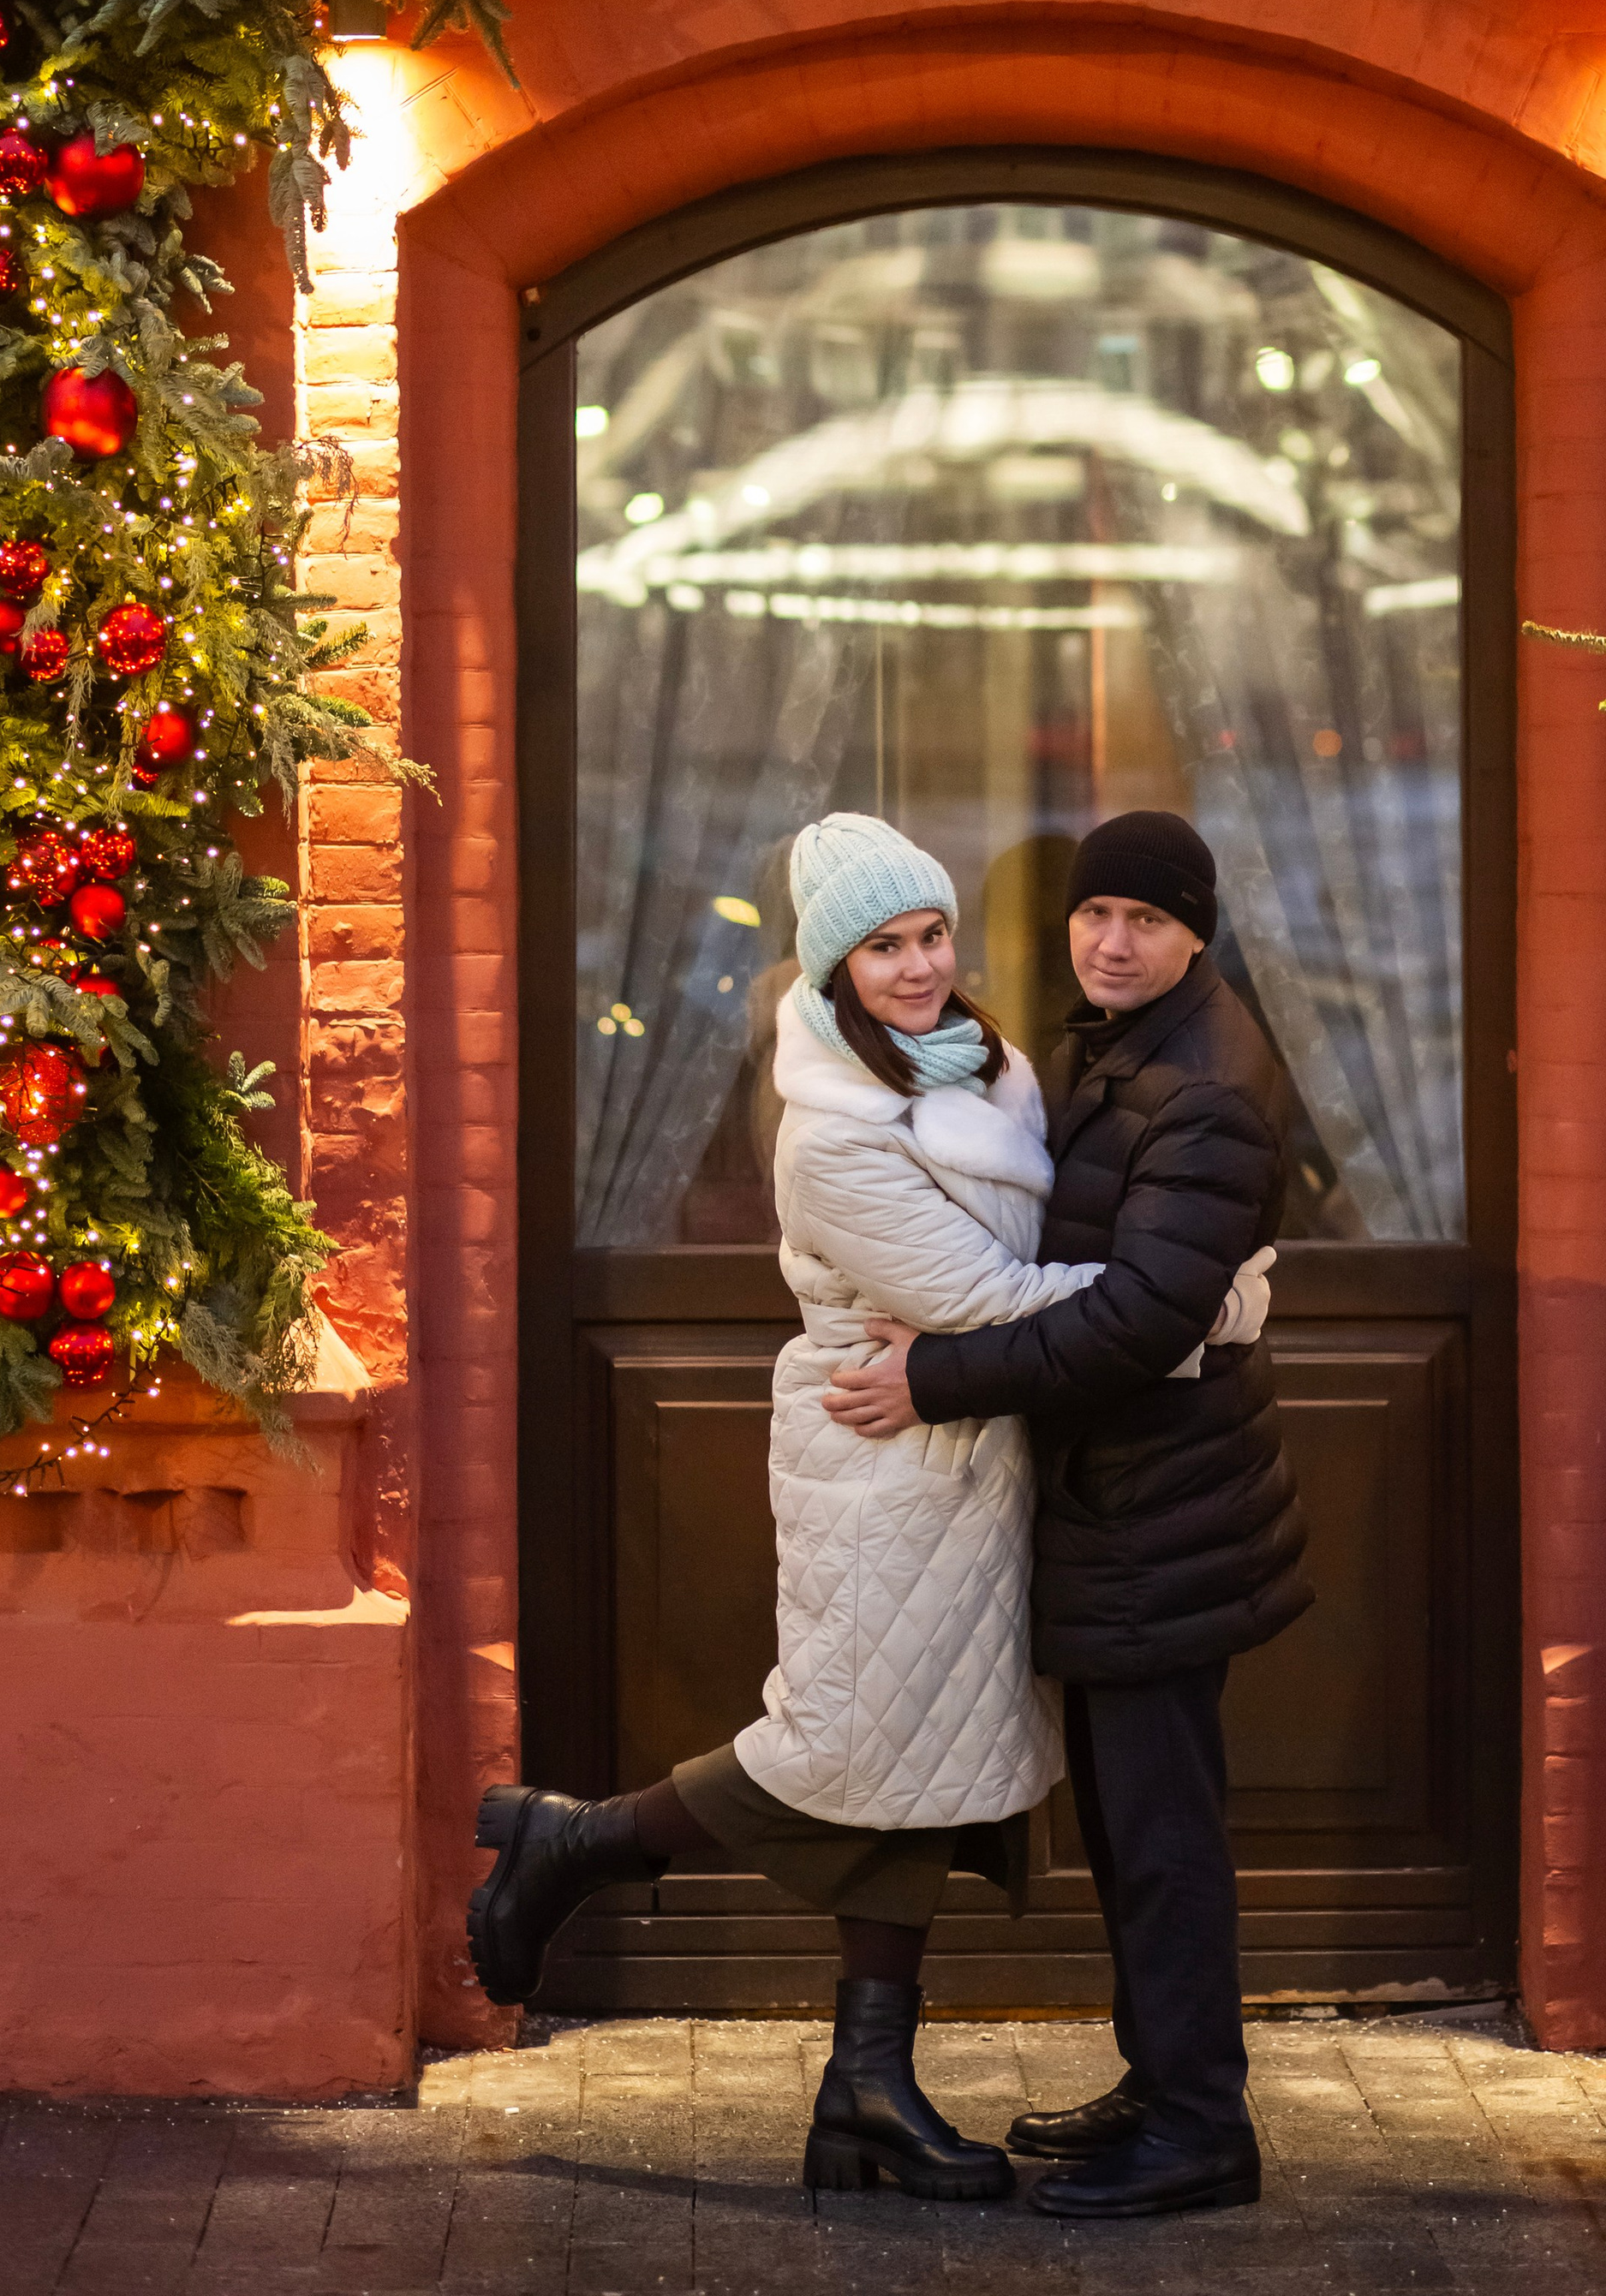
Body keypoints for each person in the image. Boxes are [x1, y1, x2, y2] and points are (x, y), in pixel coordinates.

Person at [466, 812, 1267, 2203]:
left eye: (931, 936)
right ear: (830, 967)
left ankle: (868, 2090)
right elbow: (986, 1297)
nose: (915, 967)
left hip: (994, 1453)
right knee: (845, 1742)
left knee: (925, 1770)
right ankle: (580, 1842)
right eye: (882, 946)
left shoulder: (1010, 1062)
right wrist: (1193, 1309)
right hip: (891, 1455)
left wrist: (1181, 1296)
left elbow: (1074, 1247)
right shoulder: (834, 1134)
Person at [824, 808, 1312, 2221]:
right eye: (1096, 914)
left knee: (1162, 1833)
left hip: (1161, 1509)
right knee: (1128, 1820)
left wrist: (936, 1379)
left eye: (1144, 921)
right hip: (1126, 1501)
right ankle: (1163, 2084)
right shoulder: (1127, 1048)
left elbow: (1138, 1319)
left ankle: (1203, 2128)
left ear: (1195, 935)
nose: (1111, 940)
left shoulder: (1204, 1082)